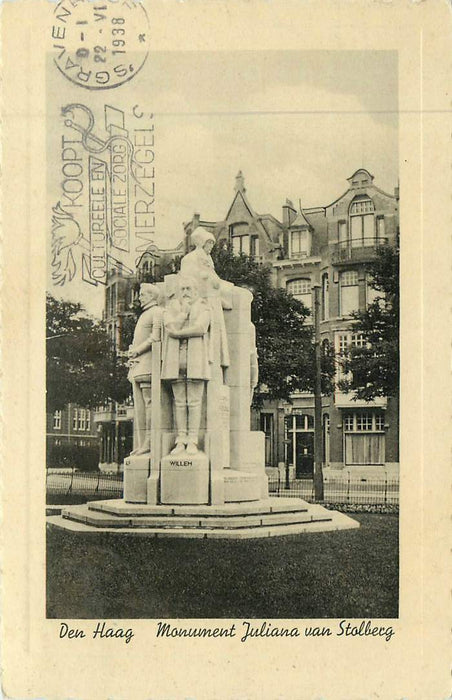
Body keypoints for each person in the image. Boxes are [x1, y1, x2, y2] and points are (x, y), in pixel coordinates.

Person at [161, 275, 212, 455]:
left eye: (189, 289)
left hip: (196, 359)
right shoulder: (172, 307)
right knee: (179, 402)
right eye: (182, 289)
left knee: (195, 402)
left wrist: (178, 333)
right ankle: (180, 439)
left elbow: (201, 328)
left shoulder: (204, 305)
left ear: (196, 291)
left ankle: (192, 440)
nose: (185, 292)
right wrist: (183, 314)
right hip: (176, 361)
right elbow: (168, 325)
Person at [180, 227, 232, 372]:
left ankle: (216, 355)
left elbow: (215, 278)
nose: (211, 247)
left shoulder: (207, 259)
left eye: (212, 244)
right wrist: (205, 276)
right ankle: (211, 355)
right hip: (203, 299)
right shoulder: (190, 258)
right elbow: (187, 279)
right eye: (209, 244)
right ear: (202, 243)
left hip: (213, 297)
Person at [127, 283, 162, 455]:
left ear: (152, 296)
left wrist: (137, 350)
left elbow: (155, 337)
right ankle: (142, 443)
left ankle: (149, 442)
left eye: (142, 294)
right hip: (139, 365)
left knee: (149, 405)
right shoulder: (146, 314)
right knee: (141, 407)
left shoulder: (157, 312)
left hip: (148, 365)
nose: (139, 297)